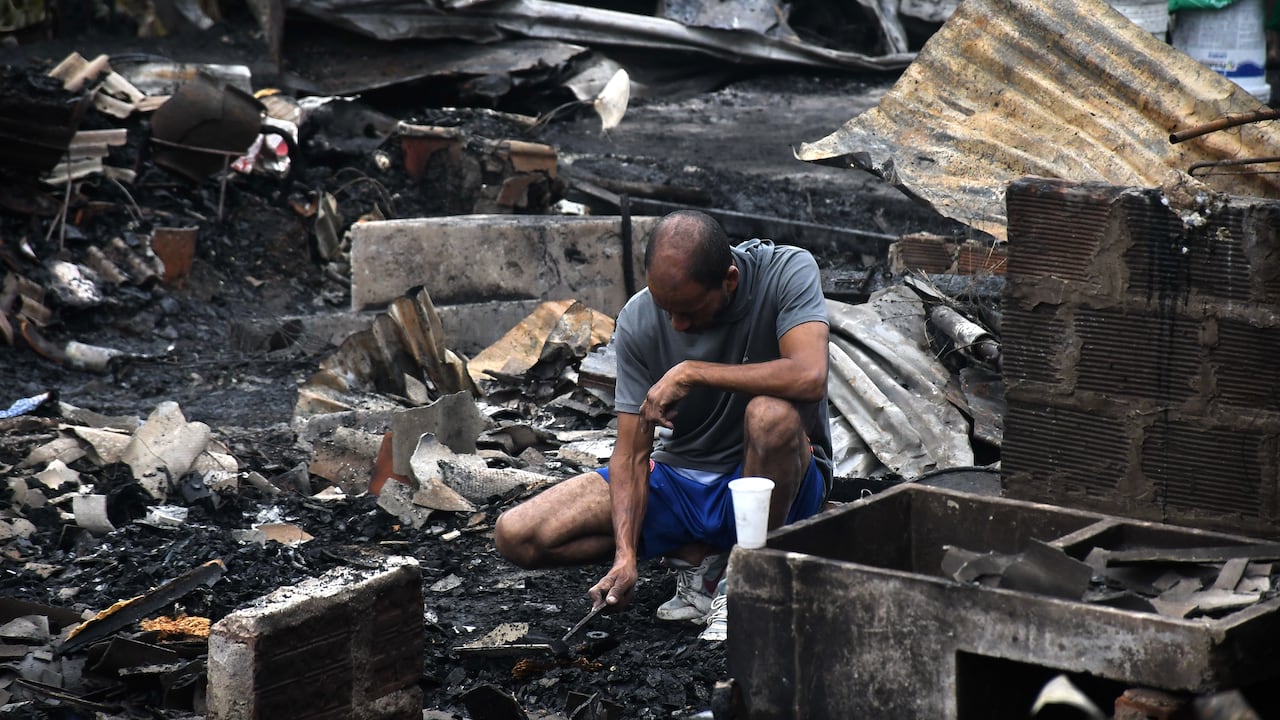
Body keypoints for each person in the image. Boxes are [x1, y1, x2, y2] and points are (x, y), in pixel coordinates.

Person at [493, 209, 832, 642]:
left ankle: (750, 577)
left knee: (769, 416)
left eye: (688, 311)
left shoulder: (785, 271)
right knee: (517, 534)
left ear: (729, 281)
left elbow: (808, 375)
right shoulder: (639, 318)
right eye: (665, 308)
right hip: (682, 481)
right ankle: (702, 562)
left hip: (774, 483)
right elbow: (632, 454)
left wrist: (692, 371)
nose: (677, 324)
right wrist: (625, 555)